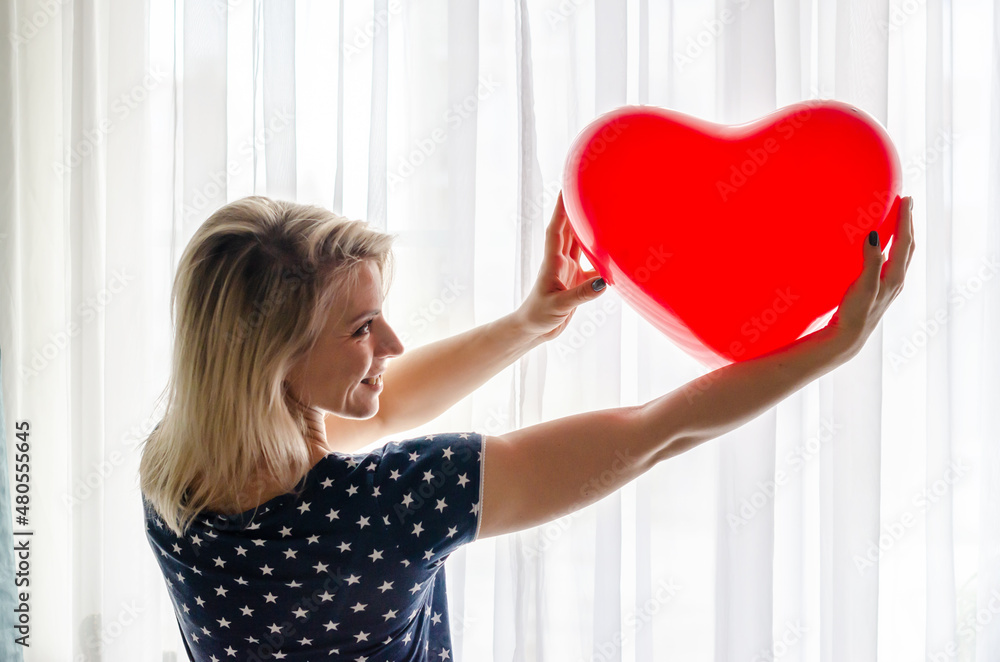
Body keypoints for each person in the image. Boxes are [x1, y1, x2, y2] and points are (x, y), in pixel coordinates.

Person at [139, 192, 914, 661]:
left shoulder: (173, 472)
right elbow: (654, 432)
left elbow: (383, 403)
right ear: (274, 357)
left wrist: (528, 324)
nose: (392, 345)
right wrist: (830, 349)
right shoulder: (398, 505)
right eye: (363, 328)